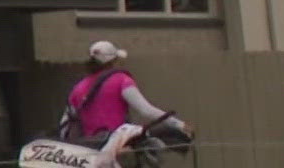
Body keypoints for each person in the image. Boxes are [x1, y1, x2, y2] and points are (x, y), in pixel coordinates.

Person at [60, 42, 191, 145]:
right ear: (113, 61)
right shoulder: (121, 80)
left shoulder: (78, 87)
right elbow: (146, 110)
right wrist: (178, 124)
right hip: (116, 146)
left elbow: (65, 124)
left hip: (90, 149)